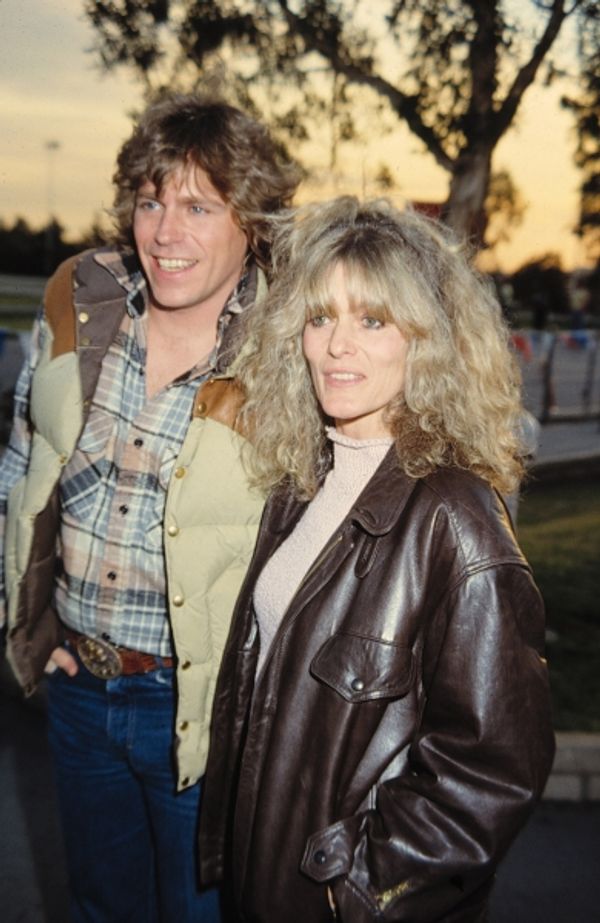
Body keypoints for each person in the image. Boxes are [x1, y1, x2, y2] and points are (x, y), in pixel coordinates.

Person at [198, 197, 556, 922]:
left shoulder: (457, 520)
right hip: (259, 883)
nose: (336, 346)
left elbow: (493, 768)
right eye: (321, 316)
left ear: (425, 340)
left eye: (372, 320)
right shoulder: (305, 482)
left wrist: (358, 883)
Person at [0, 94, 299, 922]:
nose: (166, 232)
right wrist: (29, 622)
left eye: (199, 206)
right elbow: (23, 469)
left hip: (199, 711)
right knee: (99, 906)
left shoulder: (290, 346)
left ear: (252, 219)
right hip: (80, 692)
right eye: (151, 199)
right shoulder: (78, 297)